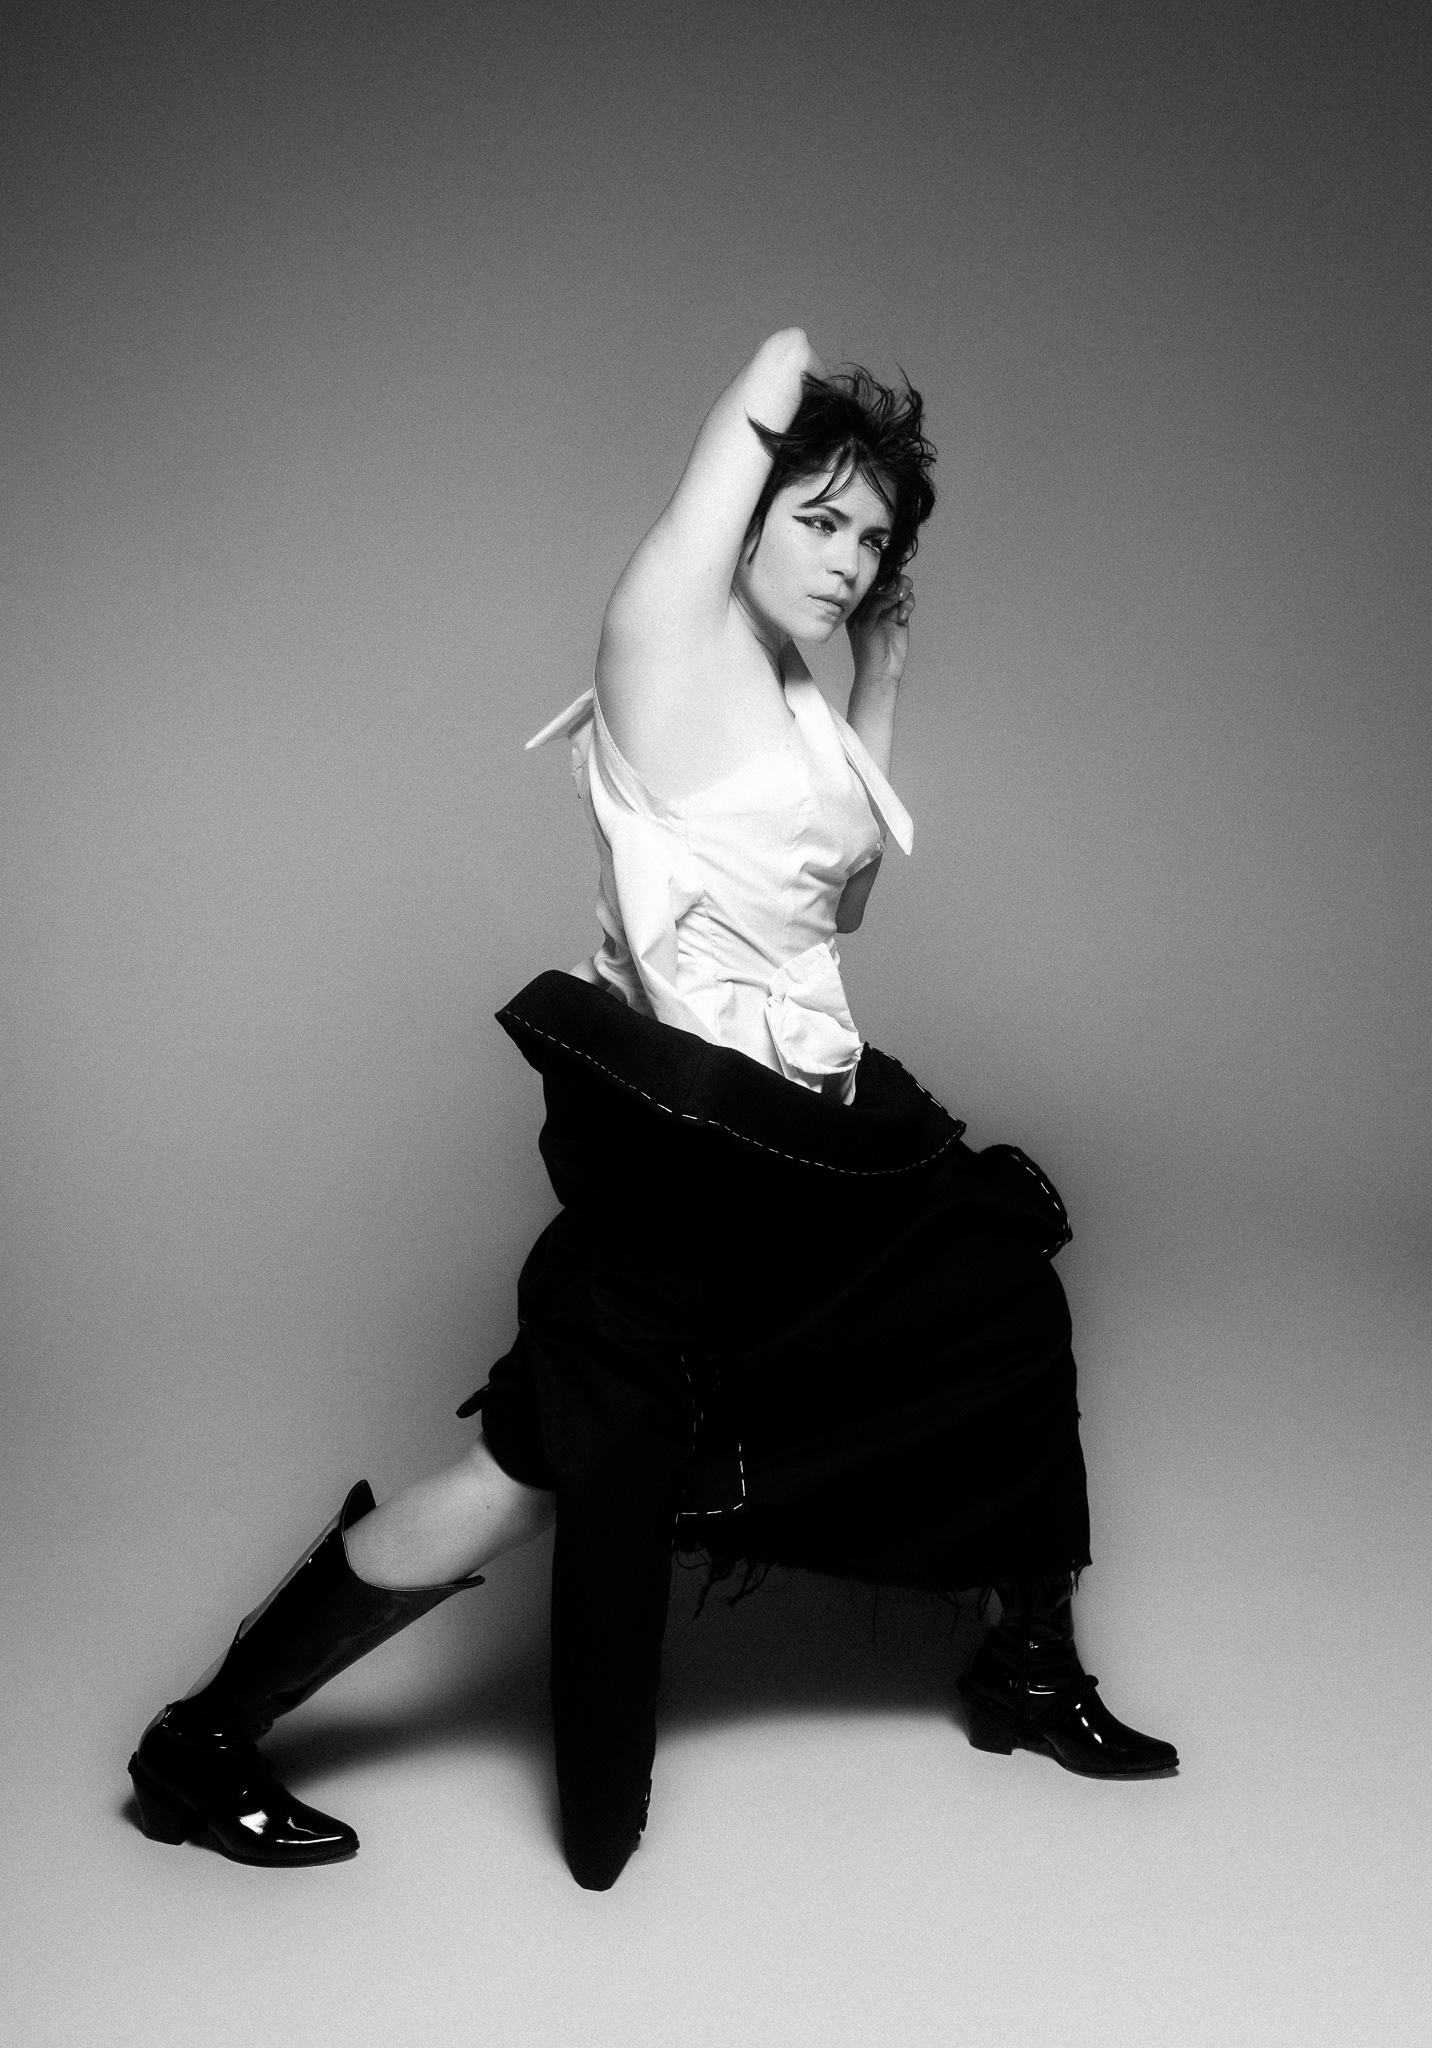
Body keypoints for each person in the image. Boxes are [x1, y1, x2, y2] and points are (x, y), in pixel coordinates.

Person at [128, 329, 1176, 1892]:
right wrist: (824, 433)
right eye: (819, 520)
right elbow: (775, 370)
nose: (850, 559)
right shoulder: (661, 644)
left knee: (1002, 1296)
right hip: (693, 1176)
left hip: (804, 1162)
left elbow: (837, 902)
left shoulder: (795, 693)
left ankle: (1026, 1663)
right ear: (741, 516)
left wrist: (880, 673)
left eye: (876, 538)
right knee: (532, 1476)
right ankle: (203, 1741)